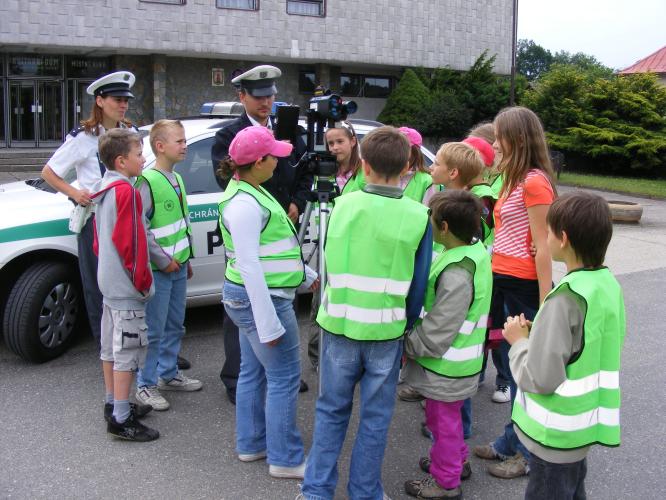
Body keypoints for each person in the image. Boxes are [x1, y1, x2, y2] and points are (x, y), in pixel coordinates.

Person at [299, 126, 432, 500]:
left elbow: (328, 262)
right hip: (386, 332)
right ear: (408, 165)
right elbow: (419, 284)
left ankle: (316, 491)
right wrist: (405, 323)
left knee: (330, 412)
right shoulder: (420, 216)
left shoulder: (342, 205)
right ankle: (365, 492)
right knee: (375, 420)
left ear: (365, 165)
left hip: (339, 326)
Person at [503, 191, 625, 500]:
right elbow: (584, 342)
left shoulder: (564, 298)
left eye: (548, 230)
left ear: (564, 239)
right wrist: (542, 333)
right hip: (580, 428)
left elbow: (540, 377)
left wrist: (519, 343)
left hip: (553, 435)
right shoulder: (605, 285)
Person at [217, 126, 317, 479]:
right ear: (259, 162)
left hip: (253, 297)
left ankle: (252, 443)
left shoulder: (250, 191)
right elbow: (249, 264)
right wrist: (267, 321)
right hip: (263, 300)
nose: (280, 159)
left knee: (253, 371)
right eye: (274, 155)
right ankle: (286, 459)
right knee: (284, 377)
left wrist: (305, 275)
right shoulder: (245, 203)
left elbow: (271, 250)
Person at [211, 65, 311, 404]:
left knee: (283, 296)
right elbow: (225, 180)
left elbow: (304, 172)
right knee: (244, 300)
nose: (267, 101)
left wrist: (297, 201)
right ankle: (236, 378)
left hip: (283, 226)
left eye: (271, 95)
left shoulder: (290, 131)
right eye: (259, 96)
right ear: (242, 97)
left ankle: (280, 370)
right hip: (253, 226)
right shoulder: (229, 136)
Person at [473, 106, 557, 479]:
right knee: (511, 364)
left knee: (524, 374)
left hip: (524, 288)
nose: (494, 143)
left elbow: (544, 247)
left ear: (518, 140)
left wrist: (544, 305)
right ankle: (510, 441)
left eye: (500, 136)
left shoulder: (534, 182)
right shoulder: (513, 179)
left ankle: (525, 454)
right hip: (504, 281)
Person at [403, 190, 492, 500]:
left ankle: (446, 482)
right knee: (446, 422)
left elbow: (440, 327)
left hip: (447, 365)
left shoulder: (457, 272)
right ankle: (455, 461)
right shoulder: (472, 251)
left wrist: (409, 345)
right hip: (455, 363)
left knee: (444, 425)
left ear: (443, 227)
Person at [41, 71, 137, 343]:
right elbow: (49, 172)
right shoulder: (83, 137)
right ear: (100, 101)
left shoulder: (129, 132)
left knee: (128, 280)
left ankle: (130, 340)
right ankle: (106, 347)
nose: (123, 105)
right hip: (96, 218)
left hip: (125, 214)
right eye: (117, 99)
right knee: (98, 286)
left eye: (126, 100)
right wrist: (75, 192)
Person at [93, 128, 158, 441]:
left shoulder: (104, 186)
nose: (143, 159)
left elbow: (98, 240)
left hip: (108, 281)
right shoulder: (127, 192)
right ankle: (120, 417)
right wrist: (142, 282)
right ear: (121, 161)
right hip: (126, 285)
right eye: (138, 154)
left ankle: (112, 403)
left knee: (110, 346)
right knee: (128, 351)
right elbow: (131, 243)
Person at [134, 120, 203, 412]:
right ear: (160, 146)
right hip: (160, 271)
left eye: (185, 140)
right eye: (180, 141)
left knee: (175, 325)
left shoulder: (177, 178)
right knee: (154, 329)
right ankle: (145, 384)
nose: (185, 145)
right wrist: (164, 261)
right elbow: (142, 229)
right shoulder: (147, 181)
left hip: (177, 268)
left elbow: (181, 226)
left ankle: (168, 373)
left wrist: (186, 259)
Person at [398, 126, 437, 204]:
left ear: (415, 152)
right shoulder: (383, 174)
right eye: (395, 146)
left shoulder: (427, 181)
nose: (397, 151)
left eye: (404, 147)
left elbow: (429, 213)